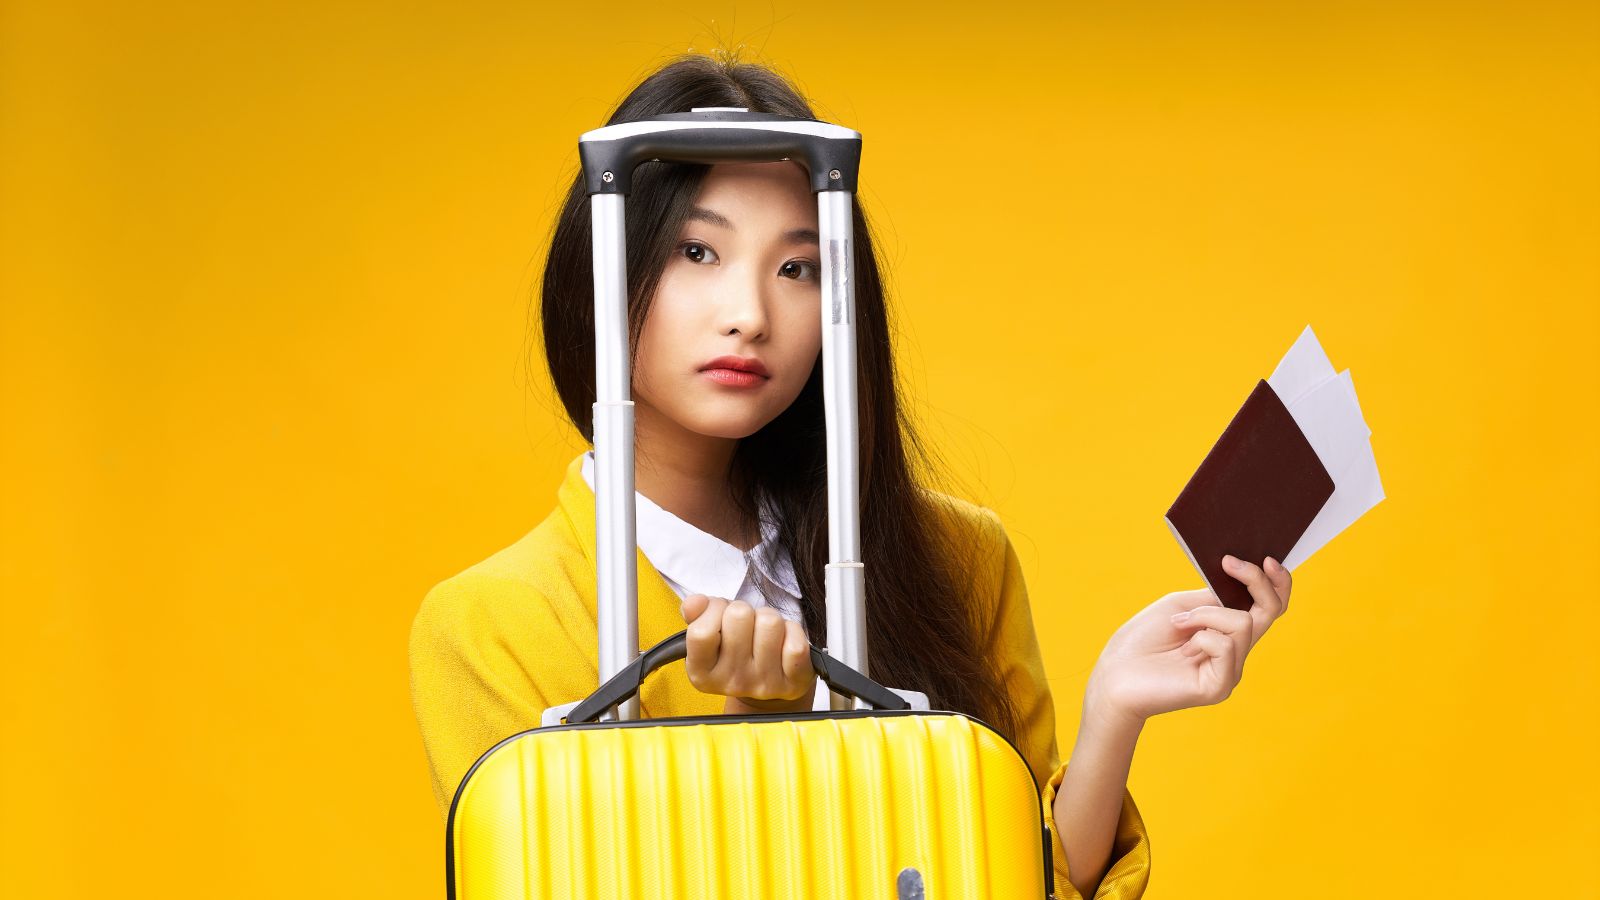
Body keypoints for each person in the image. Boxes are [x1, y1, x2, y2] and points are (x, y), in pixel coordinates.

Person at [408, 53, 1294, 900]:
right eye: (697, 253)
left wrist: (1113, 716)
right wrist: (758, 733)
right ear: (601, 270)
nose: (750, 316)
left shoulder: (957, 555)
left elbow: (1011, 880)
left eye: (797, 267)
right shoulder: (492, 628)